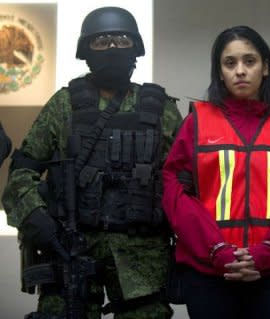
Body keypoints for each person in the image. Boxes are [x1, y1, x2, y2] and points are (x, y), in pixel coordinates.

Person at [2, 6, 182, 319]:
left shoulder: (161, 109)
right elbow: (22, 172)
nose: (112, 48)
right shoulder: (63, 105)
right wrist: (37, 218)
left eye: (121, 40)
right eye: (101, 42)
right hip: (70, 249)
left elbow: (184, 181)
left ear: (135, 48)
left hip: (143, 259)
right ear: (86, 52)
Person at [161, 25, 270, 319]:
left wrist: (268, 251)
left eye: (250, 61)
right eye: (230, 63)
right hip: (208, 272)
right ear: (219, 72)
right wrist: (217, 250)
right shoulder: (196, 124)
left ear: (266, 67)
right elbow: (177, 195)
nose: (240, 71)